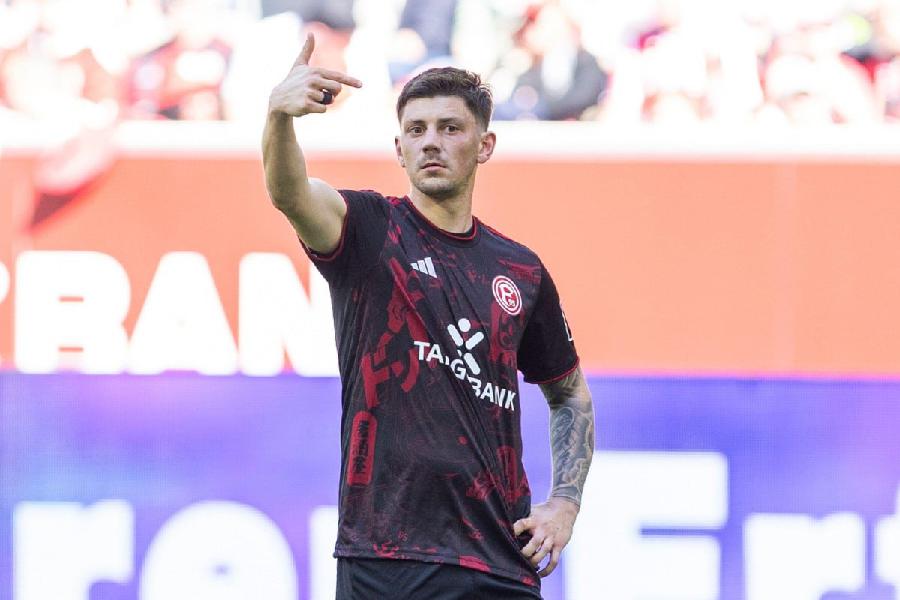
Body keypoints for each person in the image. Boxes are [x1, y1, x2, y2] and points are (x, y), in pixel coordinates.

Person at [263, 32, 595, 599]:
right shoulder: (369, 229)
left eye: (449, 128)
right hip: (383, 559)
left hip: (499, 562)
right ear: (399, 149)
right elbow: (290, 193)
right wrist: (278, 118)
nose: (431, 143)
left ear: (485, 145)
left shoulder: (520, 270)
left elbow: (570, 395)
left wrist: (564, 503)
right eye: (416, 130)